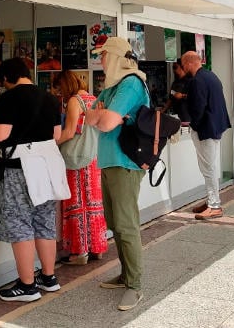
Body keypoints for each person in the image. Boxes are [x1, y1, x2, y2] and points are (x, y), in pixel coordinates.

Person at [83, 37, 149, 311]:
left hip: (126, 162)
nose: (101, 61)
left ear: (116, 57)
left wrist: (106, 117)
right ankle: (125, 275)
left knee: (125, 224)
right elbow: (88, 116)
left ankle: (135, 285)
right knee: (114, 222)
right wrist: (103, 116)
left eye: (104, 56)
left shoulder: (131, 82)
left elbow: (105, 122)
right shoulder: (111, 88)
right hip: (110, 162)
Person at [0, 58, 63, 302]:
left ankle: (27, 285)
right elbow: (56, 134)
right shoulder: (50, 97)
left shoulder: (9, 98)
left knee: (19, 221)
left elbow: (0, 134)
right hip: (48, 165)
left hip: (19, 167)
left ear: (7, 78)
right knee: (43, 219)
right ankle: (49, 278)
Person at [52, 70, 108, 266]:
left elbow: (68, 132)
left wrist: (52, 144)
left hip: (76, 159)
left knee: (76, 205)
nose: (59, 93)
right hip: (93, 158)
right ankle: (96, 248)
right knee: (93, 204)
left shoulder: (75, 101)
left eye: (59, 88)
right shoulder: (93, 98)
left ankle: (80, 252)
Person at [182, 51, 232, 220]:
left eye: (183, 65)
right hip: (215, 127)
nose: (183, 68)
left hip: (205, 129)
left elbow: (198, 107)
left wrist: (192, 124)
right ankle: (211, 199)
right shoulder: (211, 76)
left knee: (208, 168)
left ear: (189, 63)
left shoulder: (197, 80)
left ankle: (214, 205)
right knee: (209, 167)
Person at [161, 59, 191, 124]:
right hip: (175, 115)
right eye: (172, 68)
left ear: (181, 67)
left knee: (185, 133)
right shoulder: (175, 82)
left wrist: (182, 96)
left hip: (186, 116)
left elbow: (195, 96)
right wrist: (162, 111)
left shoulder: (190, 81)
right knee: (177, 133)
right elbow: (170, 99)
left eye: (175, 67)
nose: (173, 70)